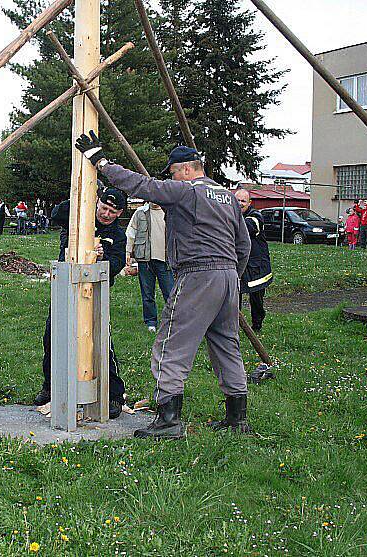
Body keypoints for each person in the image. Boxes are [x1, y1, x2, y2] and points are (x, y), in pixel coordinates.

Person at [76, 133, 252, 439]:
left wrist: (101, 161)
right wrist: (232, 276)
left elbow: (142, 186)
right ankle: (238, 418)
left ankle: (169, 419)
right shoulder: (226, 197)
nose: (171, 177)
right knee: (227, 345)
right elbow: (244, 245)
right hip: (228, 278)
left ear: (185, 169)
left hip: (198, 275)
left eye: (172, 172)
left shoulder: (187, 191)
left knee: (172, 343)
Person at [35, 185, 131, 419]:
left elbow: (117, 264)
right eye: (104, 207)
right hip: (65, 287)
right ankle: (51, 387)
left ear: (119, 214)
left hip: (95, 294)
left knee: (100, 342)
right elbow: (56, 214)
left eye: (113, 211)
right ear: (97, 202)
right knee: (53, 337)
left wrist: (102, 256)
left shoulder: (117, 236)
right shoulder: (78, 215)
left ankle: (113, 394)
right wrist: (79, 199)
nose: (106, 214)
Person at [125, 201, 174, 332]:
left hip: (165, 261)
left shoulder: (170, 212)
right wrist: (127, 252)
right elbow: (131, 233)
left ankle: (172, 321)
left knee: (170, 294)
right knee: (147, 294)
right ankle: (151, 322)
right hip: (145, 260)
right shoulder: (140, 213)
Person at [234, 189, 272, 332]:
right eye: (237, 200)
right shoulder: (231, 216)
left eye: (243, 201)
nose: (239, 204)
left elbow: (248, 227)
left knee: (256, 299)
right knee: (234, 297)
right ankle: (234, 327)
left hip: (257, 267)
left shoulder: (256, 217)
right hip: (239, 264)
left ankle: (257, 325)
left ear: (249, 203)